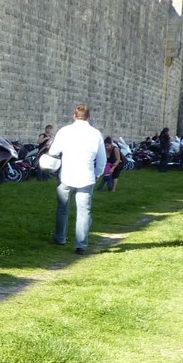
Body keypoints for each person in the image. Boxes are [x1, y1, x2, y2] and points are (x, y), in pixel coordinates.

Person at [48, 104, 106, 255]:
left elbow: (53, 152)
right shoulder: (95, 134)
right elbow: (102, 158)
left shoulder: (65, 131)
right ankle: (80, 244)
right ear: (89, 117)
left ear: (74, 116)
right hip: (86, 176)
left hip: (66, 175)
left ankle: (60, 237)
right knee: (84, 212)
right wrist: (97, 173)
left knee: (62, 209)